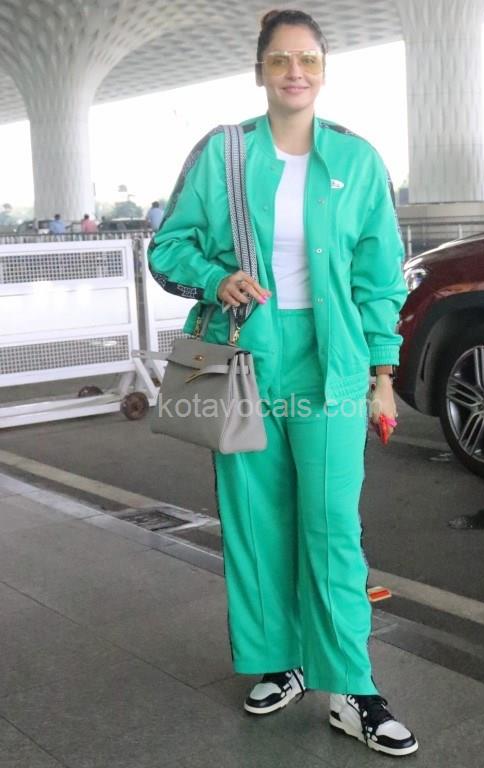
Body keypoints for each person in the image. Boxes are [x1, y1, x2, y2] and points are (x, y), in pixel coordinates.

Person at [148, 8, 417, 759]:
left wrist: (383, 375)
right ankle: (282, 660)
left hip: (331, 364)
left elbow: (378, 277)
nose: (295, 72)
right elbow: (168, 247)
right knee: (255, 519)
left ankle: (353, 688)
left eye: (308, 59)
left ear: (323, 70)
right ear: (260, 70)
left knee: (332, 524)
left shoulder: (355, 159)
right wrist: (216, 277)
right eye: (280, 60)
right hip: (245, 361)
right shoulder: (224, 154)